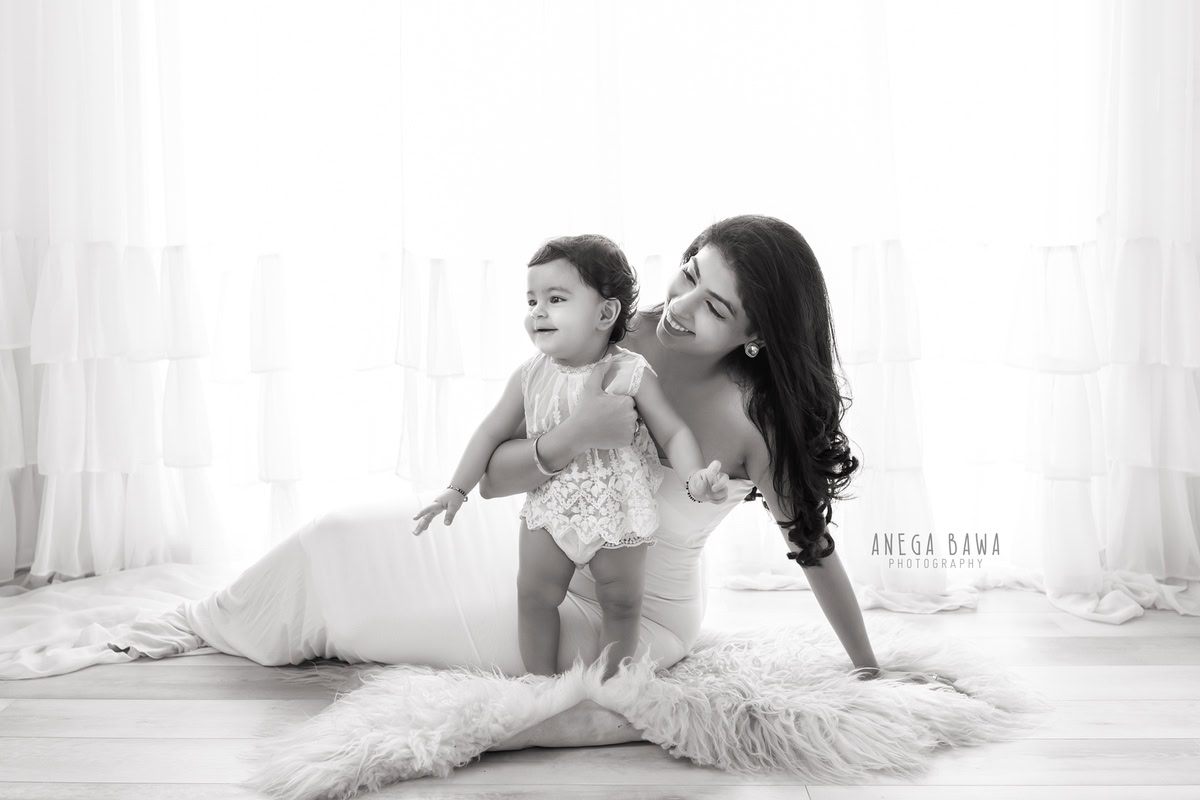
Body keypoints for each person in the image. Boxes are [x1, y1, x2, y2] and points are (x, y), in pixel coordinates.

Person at [0, 214, 877, 755]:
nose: (683, 305)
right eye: (690, 272)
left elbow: (815, 554)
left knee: (358, 624)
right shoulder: (625, 335)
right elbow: (496, 475)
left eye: (717, 306)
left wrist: (871, 670)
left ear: (758, 336)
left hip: (631, 611)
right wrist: (572, 437)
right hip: (538, 543)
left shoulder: (761, 429)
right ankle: (216, 619)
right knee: (337, 535)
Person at [410, 234, 729, 682]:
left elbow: (673, 429)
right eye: (531, 300)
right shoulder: (530, 375)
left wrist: (696, 476)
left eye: (555, 299)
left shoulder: (630, 371)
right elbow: (490, 432)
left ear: (605, 313)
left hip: (617, 507)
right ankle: (539, 684)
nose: (537, 311)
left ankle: (611, 684)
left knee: (622, 602)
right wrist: (455, 489)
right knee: (534, 593)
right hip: (552, 506)